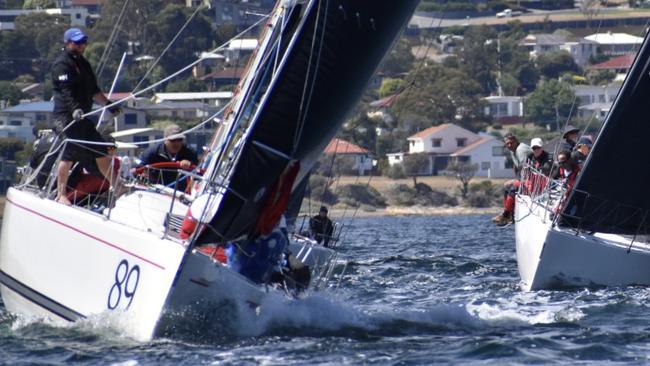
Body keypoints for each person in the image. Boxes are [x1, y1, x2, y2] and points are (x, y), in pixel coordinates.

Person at [52, 27, 122, 205]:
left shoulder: (84, 64)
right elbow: (66, 91)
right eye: (77, 43)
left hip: (83, 118)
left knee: (101, 150)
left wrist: (108, 105)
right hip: (66, 118)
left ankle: (118, 187)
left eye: (83, 42)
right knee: (70, 153)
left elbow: (93, 90)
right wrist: (75, 109)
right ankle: (61, 194)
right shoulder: (62, 64)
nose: (81, 46)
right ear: (68, 43)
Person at [137, 124, 199, 191]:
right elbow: (139, 168)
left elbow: (198, 173)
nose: (176, 143)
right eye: (173, 140)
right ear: (165, 139)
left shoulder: (190, 152)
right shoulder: (153, 152)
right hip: (156, 191)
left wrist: (190, 164)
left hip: (181, 194)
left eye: (179, 139)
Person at [65, 133, 120, 204]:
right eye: (108, 148)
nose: (111, 152)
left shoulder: (116, 162)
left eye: (113, 148)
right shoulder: (87, 162)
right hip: (74, 198)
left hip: (95, 199)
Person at [492, 133, 533, 226]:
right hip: (525, 177)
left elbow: (525, 168)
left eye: (511, 143)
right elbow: (516, 166)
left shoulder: (520, 149)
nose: (509, 145)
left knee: (513, 188)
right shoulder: (513, 151)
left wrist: (517, 181)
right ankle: (509, 215)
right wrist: (516, 178)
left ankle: (506, 214)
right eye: (507, 144)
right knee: (507, 187)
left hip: (532, 178)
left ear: (516, 142)